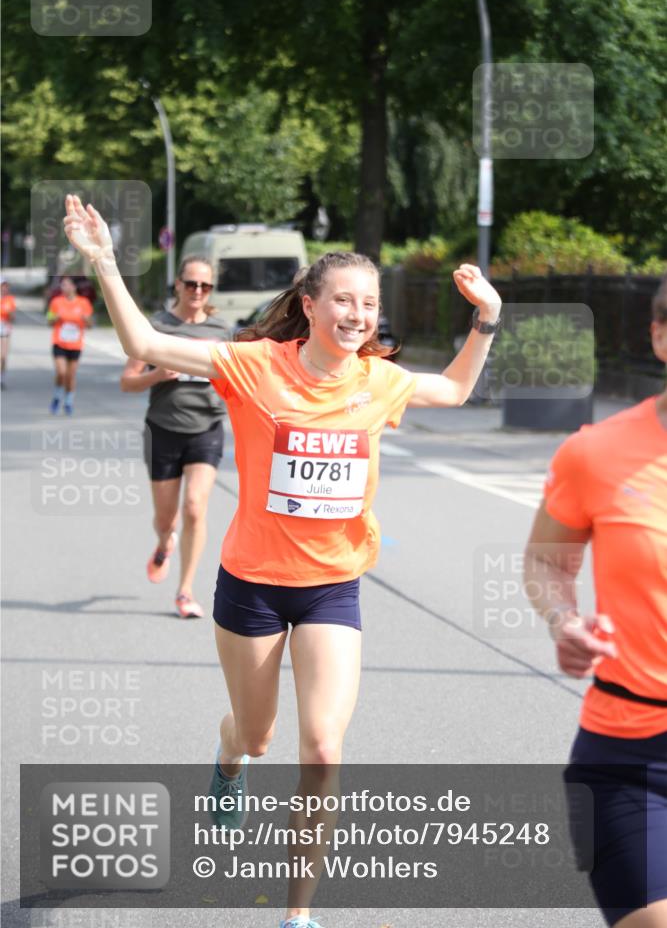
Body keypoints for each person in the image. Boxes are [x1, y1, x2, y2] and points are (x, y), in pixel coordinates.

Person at [63, 193, 502, 928]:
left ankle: (297, 916)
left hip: (332, 588)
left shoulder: (379, 379)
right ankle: (228, 758)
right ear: (309, 304)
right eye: (343, 300)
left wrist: (485, 317)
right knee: (258, 733)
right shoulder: (251, 366)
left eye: (368, 303)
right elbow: (143, 336)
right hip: (254, 588)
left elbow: (455, 388)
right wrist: (104, 261)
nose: (357, 315)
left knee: (323, 748)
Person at [524, 273, 667, 928]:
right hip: (631, 757)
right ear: (660, 337)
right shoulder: (596, 452)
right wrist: (563, 619)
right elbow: (546, 561)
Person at [120, 258, 230, 619]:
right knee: (166, 519)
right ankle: (166, 541)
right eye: (191, 284)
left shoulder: (222, 331)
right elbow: (127, 381)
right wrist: (158, 376)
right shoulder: (158, 328)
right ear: (178, 285)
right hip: (163, 429)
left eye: (206, 286)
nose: (198, 291)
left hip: (207, 428)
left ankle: (184, 591)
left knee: (196, 507)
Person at [47, 275, 94, 414]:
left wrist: (86, 320)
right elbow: (49, 321)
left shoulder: (83, 302)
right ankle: (56, 396)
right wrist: (55, 318)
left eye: (66, 285)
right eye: (62, 285)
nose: (64, 287)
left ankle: (68, 401)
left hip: (75, 345)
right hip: (59, 342)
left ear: (74, 287)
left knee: (70, 376)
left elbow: (90, 325)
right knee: (61, 373)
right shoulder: (56, 302)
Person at [0, 280, 17, 388]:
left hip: (5, 330)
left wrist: (11, 315)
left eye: (7, 286)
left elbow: (13, 318)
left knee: (3, 356)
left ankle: (2, 378)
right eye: (3, 286)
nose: (5, 288)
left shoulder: (10, 300)